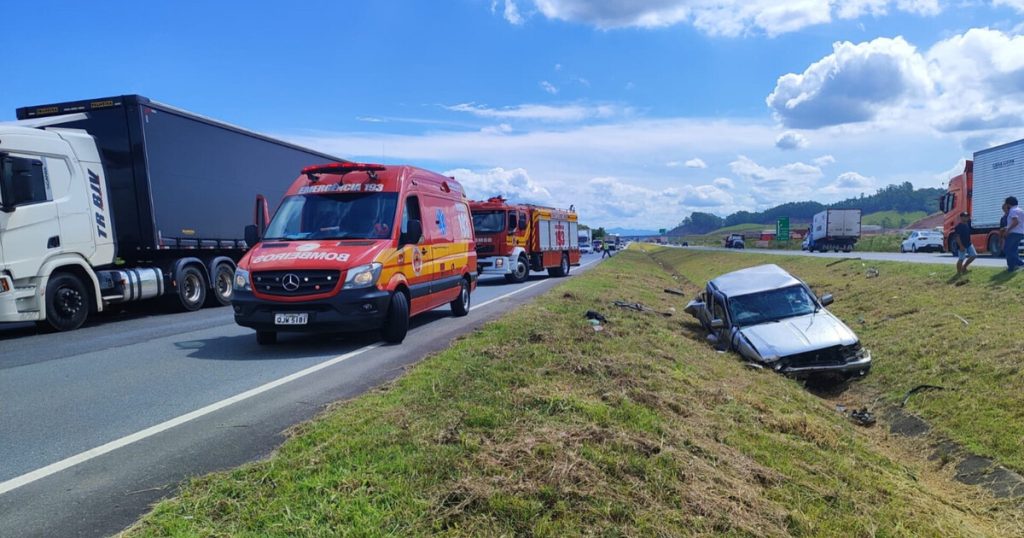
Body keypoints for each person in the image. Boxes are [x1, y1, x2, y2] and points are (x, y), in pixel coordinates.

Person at [1004, 196, 1024, 272]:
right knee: (1013, 250)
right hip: (1021, 232)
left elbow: (1016, 222)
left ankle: (1018, 264)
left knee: (1007, 250)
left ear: (1008, 204)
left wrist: (1007, 230)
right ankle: (1013, 267)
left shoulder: (1012, 210)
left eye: (1006, 204)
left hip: (1014, 233)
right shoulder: (1021, 210)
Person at [954, 211, 976, 276]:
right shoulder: (959, 226)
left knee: (974, 255)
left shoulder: (968, 224)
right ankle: (958, 272)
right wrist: (961, 246)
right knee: (961, 258)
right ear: (961, 217)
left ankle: (964, 267)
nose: (966, 218)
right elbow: (957, 237)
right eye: (964, 216)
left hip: (968, 243)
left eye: (967, 216)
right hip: (961, 244)